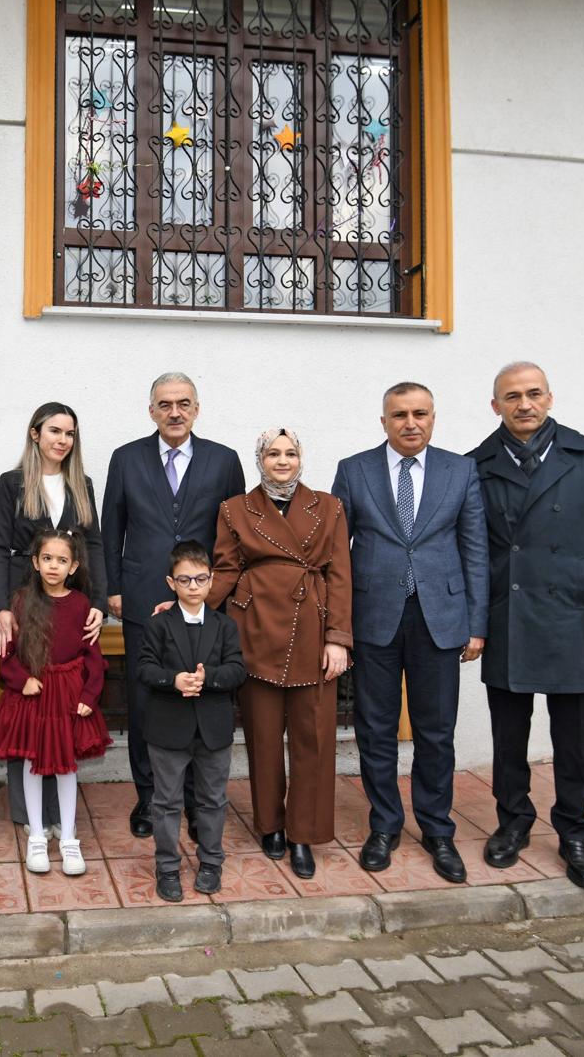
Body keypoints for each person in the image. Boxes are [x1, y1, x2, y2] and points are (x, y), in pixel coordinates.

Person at [472, 362, 584, 890]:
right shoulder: (478, 463)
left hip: (572, 619)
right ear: (495, 406)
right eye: (511, 397)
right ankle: (513, 822)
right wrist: (476, 622)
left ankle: (575, 833)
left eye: (533, 394)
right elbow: (475, 554)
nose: (524, 405)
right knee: (508, 736)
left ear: (550, 398)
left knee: (574, 739)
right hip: (507, 619)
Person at [332, 382, 488, 883]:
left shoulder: (459, 470)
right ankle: (384, 825)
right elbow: (336, 554)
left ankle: (438, 829)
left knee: (435, 732)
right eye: (399, 414)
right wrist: (338, 627)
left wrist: (476, 625)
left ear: (434, 417)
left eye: (420, 413)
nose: (410, 423)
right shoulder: (354, 470)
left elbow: (475, 549)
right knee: (375, 730)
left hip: (439, 619)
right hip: (374, 617)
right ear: (384, 421)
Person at [206, 428, 353, 879]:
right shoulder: (235, 509)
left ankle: (302, 834)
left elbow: (342, 575)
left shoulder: (328, 506)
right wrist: (188, 606)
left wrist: (338, 638)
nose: (283, 460)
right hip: (254, 628)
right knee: (263, 736)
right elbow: (226, 568)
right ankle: (270, 824)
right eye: (273, 453)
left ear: (301, 459)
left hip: (314, 628)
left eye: (290, 453)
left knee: (313, 737)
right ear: (260, 460)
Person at [104, 373, 246, 838]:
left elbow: (233, 536)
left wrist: (219, 592)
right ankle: (149, 798)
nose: (175, 412)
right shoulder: (126, 459)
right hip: (144, 596)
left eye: (183, 403)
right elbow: (112, 528)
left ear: (197, 408)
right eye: (165, 404)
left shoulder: (224, 461)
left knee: (198, 695)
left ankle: (191, 799)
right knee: (147, 701)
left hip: (202, 604)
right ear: (151, 411)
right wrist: (115, 589)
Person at [0, 402, 107, 836]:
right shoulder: (13, 483)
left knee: (62, 707)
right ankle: (28, 814)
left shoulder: (83, 484)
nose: (63, 440)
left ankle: (60, 816)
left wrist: (97, 601)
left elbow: (94, 543)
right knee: (29, 706)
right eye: (55, 431)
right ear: (35, 434)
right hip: (26, 606)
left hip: (69, 602)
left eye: (70, 433)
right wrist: (1, 607)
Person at [0, 530, 112, 875]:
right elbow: (7, 653)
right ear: (35, 563)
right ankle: (37, 834)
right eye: (47, 559)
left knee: (66, 765)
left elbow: (94, 657)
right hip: (34, 696)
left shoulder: (83, 604)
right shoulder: (22, 601)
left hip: (70, 698)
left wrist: (89, 695)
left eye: (61, 560)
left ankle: (69, 838)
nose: (53, 566)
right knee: (32, 763)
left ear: (73, 567)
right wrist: (20, 679)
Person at [135, 542, 247, 902]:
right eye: (185, 579)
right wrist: (175, 680)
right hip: (168, 728)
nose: (194, 586)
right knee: (166, 802)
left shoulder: (225, 625)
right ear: (171, 583)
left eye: (201, 578)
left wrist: (208, 677)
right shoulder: (158, 625)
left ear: (212, 580)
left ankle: (211, 861)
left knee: (213, 800)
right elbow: (145, 668)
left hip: (213, 729)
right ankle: (167, 867)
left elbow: (238, 669)